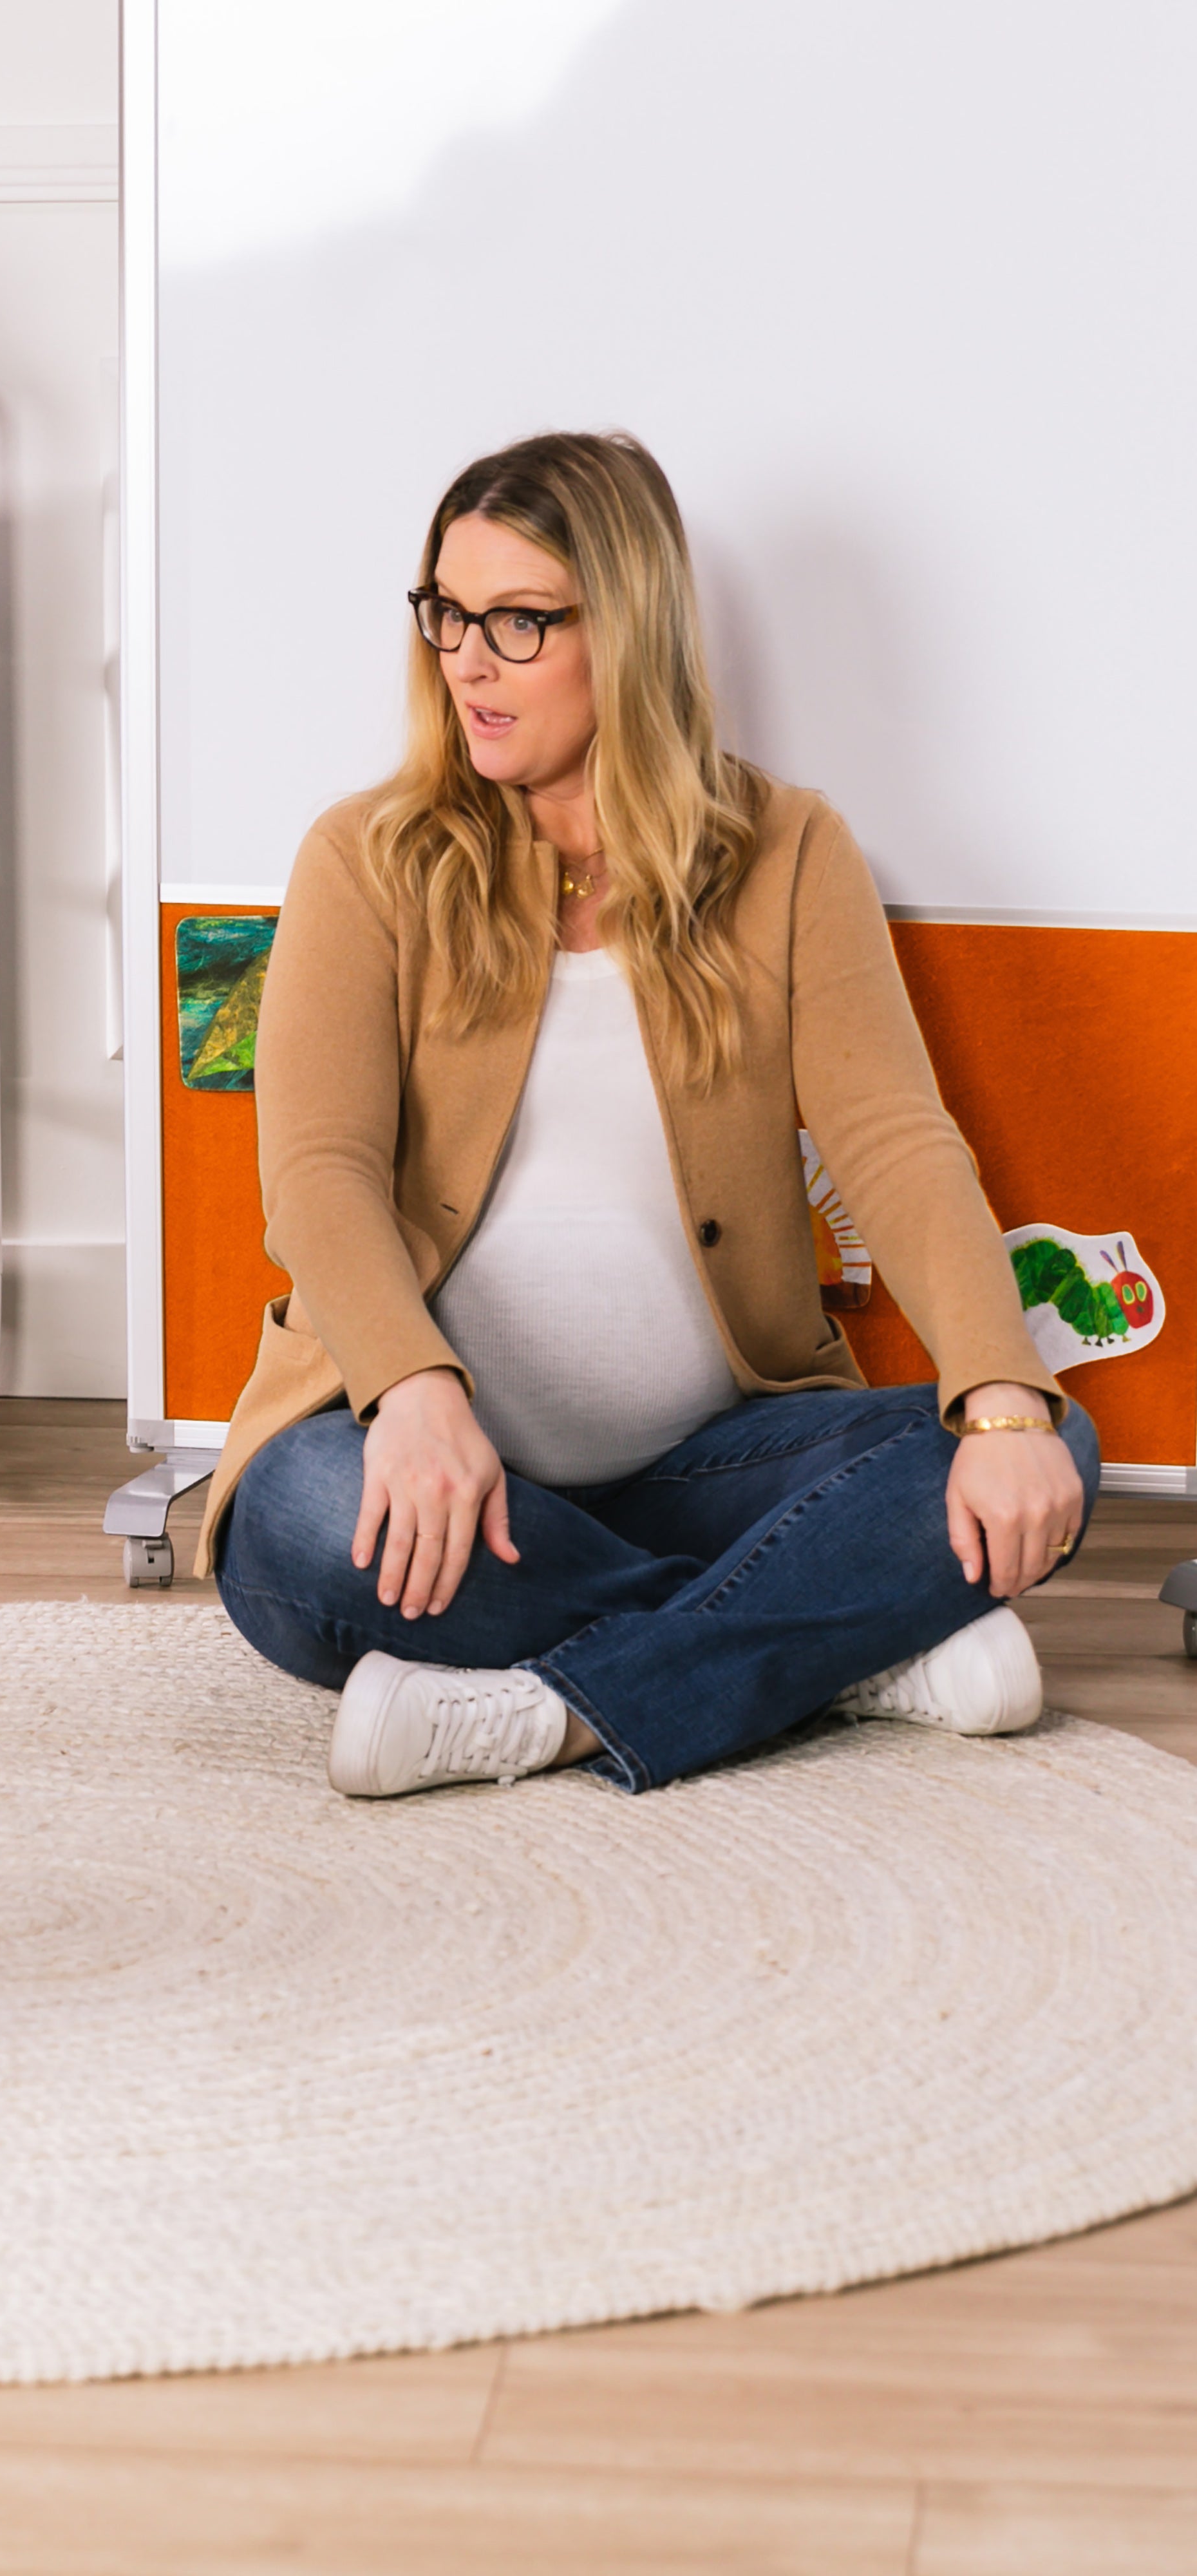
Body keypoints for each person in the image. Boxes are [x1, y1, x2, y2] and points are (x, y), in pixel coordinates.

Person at [200, 431, 1095, 1799]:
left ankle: (556, 1706)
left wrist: (996, 1400)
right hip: (450, 1462)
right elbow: (315, 1170)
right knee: (295, 1523)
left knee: (1046, 1438)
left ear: (627, 632)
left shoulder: (789, 849)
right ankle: (842, 1646)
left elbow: (893, 1142)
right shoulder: (362, 856)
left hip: (712, 1459)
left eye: (516, 620)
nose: (466, 659)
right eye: (445, 611)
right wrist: (412, 1390)